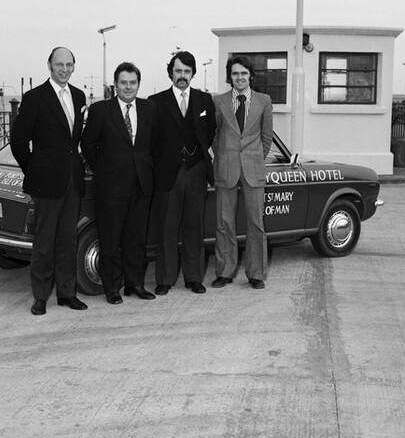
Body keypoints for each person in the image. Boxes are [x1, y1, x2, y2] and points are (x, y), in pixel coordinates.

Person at [10, 47, 88, 315]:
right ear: (49, 66)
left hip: (72, 181)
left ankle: (67, 293)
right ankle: (41, 296)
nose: (64, 69)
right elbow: (18, 142)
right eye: (59, 64)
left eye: (69, 64)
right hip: (45, 183)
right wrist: (35, 171)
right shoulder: (35, 98)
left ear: (74, 66)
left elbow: (74, 141)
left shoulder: (79, 96)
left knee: (68, 240)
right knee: (43, 242)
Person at [80, 62, 158, 304]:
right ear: (116, 85)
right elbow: (88, 145)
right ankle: (112, 288)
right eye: (123, 83)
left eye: (132, 82)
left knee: (136, 239)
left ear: (138, 84)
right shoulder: (101, 110)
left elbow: (153, 145)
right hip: (110, 187)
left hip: (141, 185)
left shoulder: (149, 109)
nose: (128, 87)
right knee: (110, 240)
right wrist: (104, 170)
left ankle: (134, 284)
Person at [148, 50, 216, 295]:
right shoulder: (155, 101)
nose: (183, 76)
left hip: (196, 170)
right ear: (171, 72)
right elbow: (152, 138)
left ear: (193, 74)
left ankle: (194, 277)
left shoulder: (204, 101)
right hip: (168, 173)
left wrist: (195, 155)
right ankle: (164, 279)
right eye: (178, 71)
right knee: (166, 227)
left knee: (194, 226)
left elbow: (210, 132)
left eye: (187, 71)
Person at [211, 54, 274, 290]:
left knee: (256, 223)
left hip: (253, 170)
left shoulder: (264, 101)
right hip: (226, 168)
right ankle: (225, 271)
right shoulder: (219, 102)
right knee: (224, 222)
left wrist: (254, 157)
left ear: (251, 76)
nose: (239, 78)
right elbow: (216, 137)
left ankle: (256, 273)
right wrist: (226, 156)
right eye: (235, 73)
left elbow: (266, 138)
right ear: (230, 76)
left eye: (244, 73)